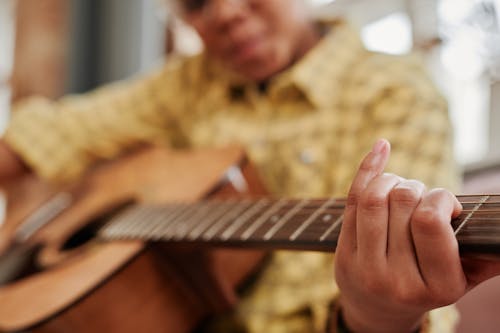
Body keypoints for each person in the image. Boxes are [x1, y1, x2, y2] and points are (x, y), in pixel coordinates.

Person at [1, 0, 498, 332]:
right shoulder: (189, 83)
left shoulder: (397, 91)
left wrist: (379, 312)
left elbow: (409, 290)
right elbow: (55, 132)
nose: (227, 12)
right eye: (197, 1)